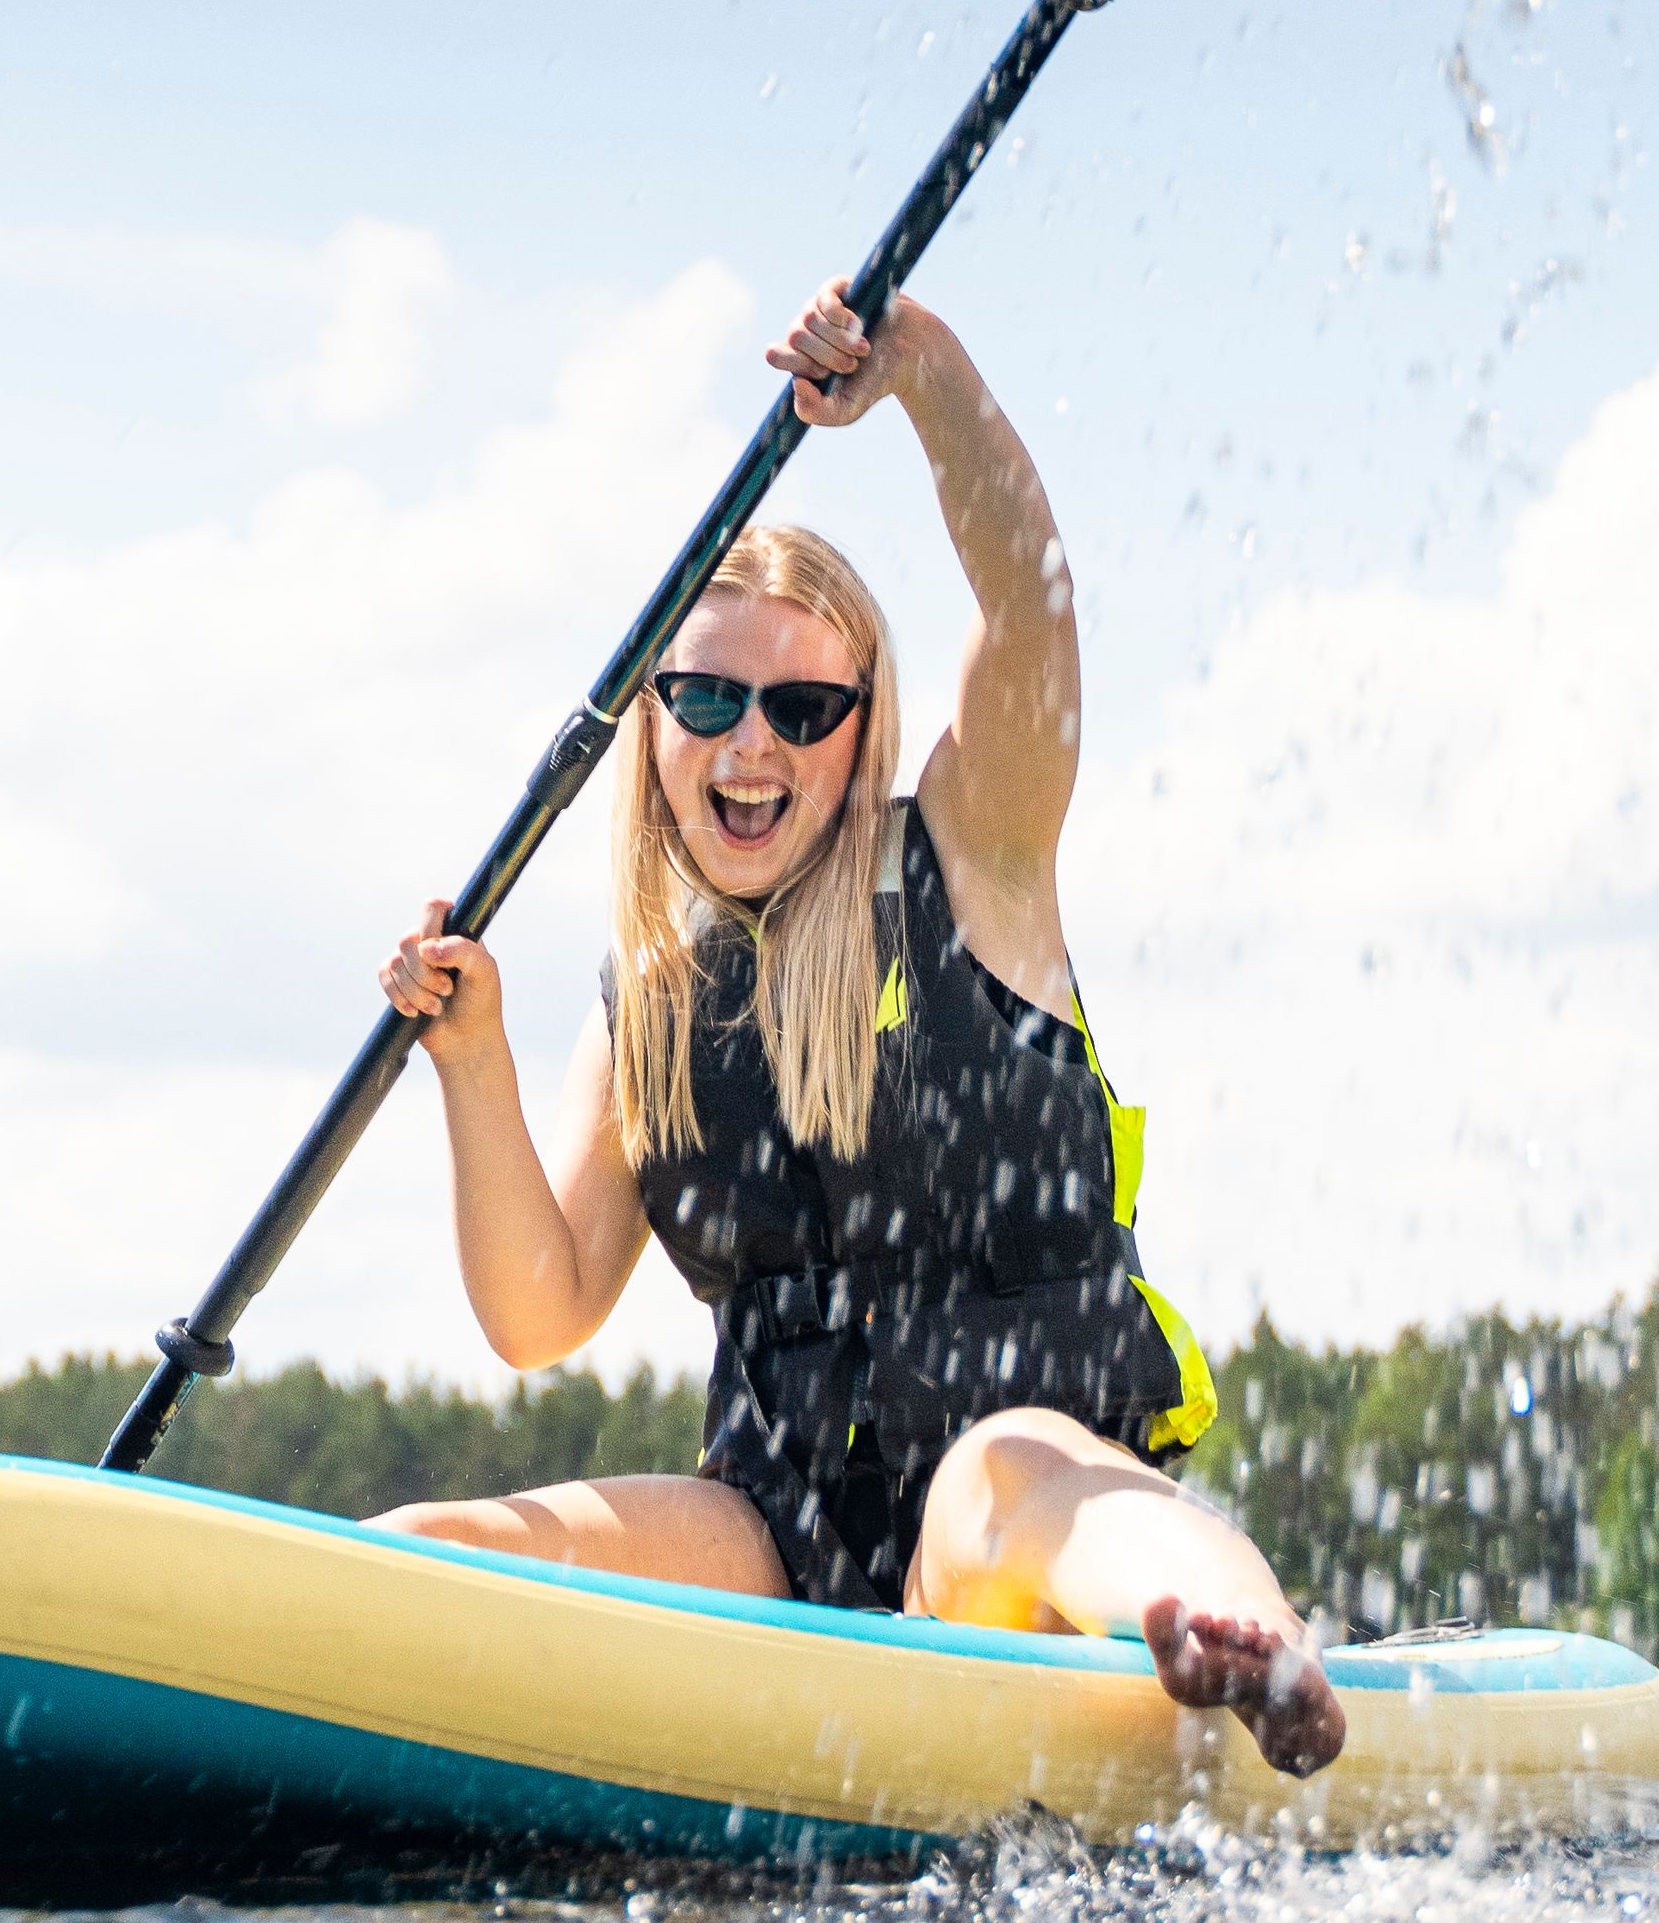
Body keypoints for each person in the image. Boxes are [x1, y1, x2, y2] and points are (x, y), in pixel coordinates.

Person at [367, 290, 1343, 1775]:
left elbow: (1033, 610)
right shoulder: (650, 1004)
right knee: (471, 1540)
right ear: (654, 726)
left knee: (1006, 1476)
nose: (752, 740)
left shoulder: (975, 858)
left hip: (1006, 1545)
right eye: (705, 695)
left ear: (861, 727)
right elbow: (539, 1309)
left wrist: (930, 379)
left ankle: (1236, 1643)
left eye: (802, 705)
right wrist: (472, 1059)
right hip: (777, 1542)